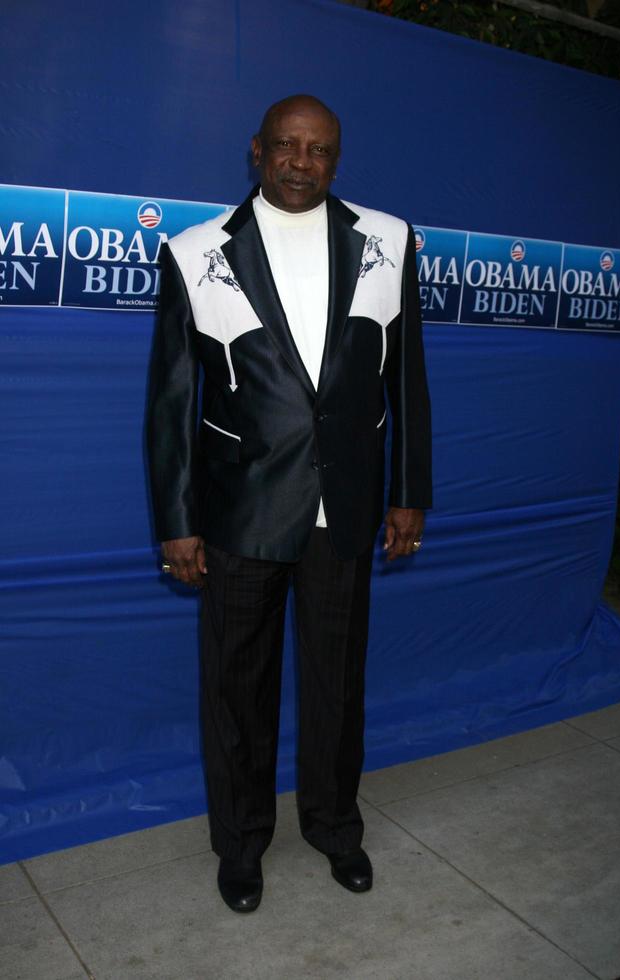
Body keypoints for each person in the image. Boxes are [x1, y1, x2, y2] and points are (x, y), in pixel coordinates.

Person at [147, 94, 432, 913]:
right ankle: (240, 847)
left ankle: (336, 828)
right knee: (237, 690)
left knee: (338, 685)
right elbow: (170, 402)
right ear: (257, 151)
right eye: (286, 146)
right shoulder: (197, 251)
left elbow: (405, 377)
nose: (301, 162)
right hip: (239, 513)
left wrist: (407, 493)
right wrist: (177, 522)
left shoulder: (386, 241)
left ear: (336, 159)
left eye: (319, 150)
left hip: (343, 506)